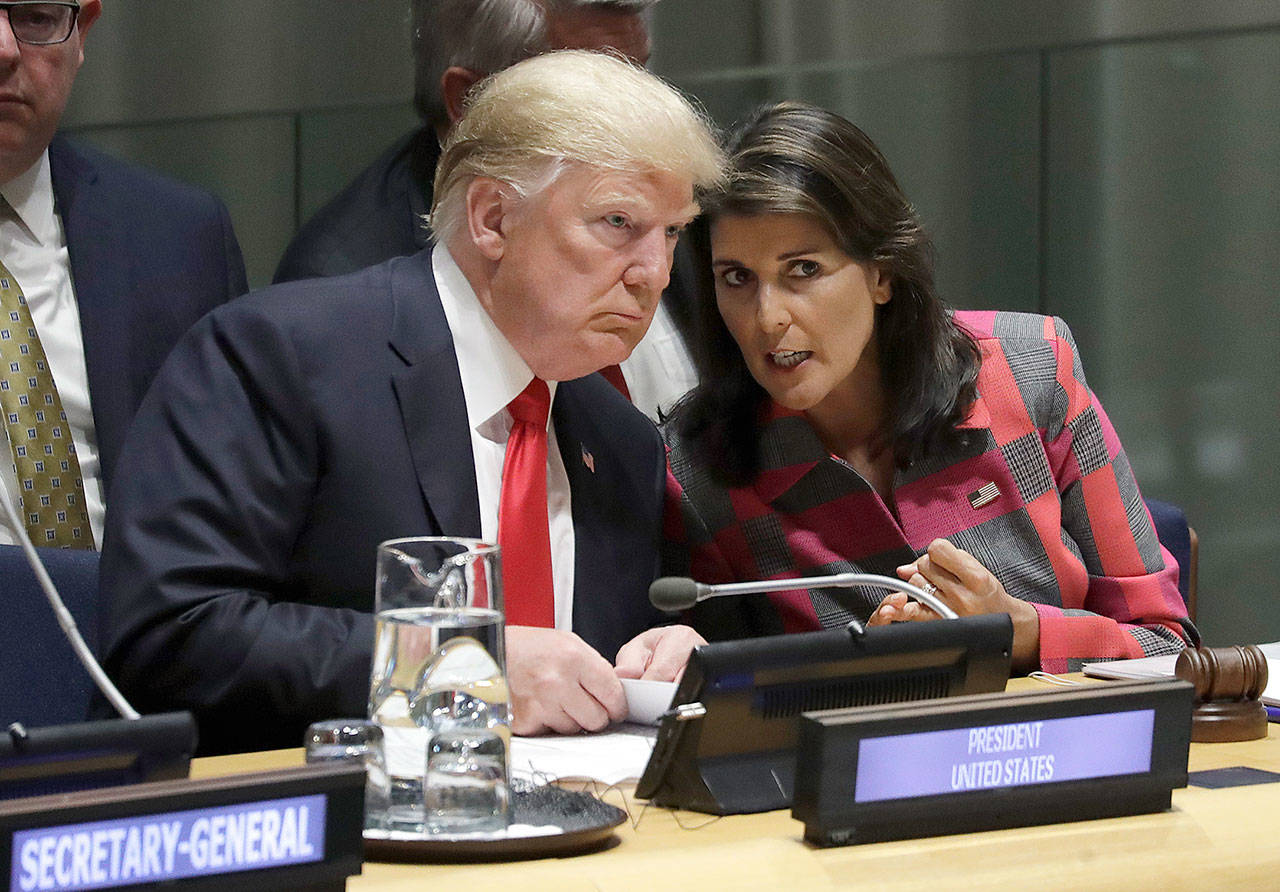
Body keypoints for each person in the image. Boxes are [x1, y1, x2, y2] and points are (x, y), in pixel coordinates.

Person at [100, 50, 723, 754]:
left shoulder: (620, 439)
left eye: (671, 233)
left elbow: (570, 676)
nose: (655, 274)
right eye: (618, 223)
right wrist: (460, 666)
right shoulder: (281, 356)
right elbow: (172, 631)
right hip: (328, 833)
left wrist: (657, 657)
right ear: (492, 218)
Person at [662, 101, 1196, 674]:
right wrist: (864, 670)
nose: (767, 318)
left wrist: (1016, 631)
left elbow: (1168, 646)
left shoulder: (1031, 367)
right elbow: (723, 696)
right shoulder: (697, 467)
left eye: (803, 270)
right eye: (737, 278)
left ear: (882, 274)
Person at [273, 0, 698, 420]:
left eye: (641, 76)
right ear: (470, 99)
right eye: (596, 92)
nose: (640, 116)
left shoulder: (674, 198)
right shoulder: (342, 286)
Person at [0, 0, 246, 549]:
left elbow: (238, 522)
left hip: (138, 624)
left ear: (81, 33)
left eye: (36, 18)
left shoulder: (181, 238)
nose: (5, 49)